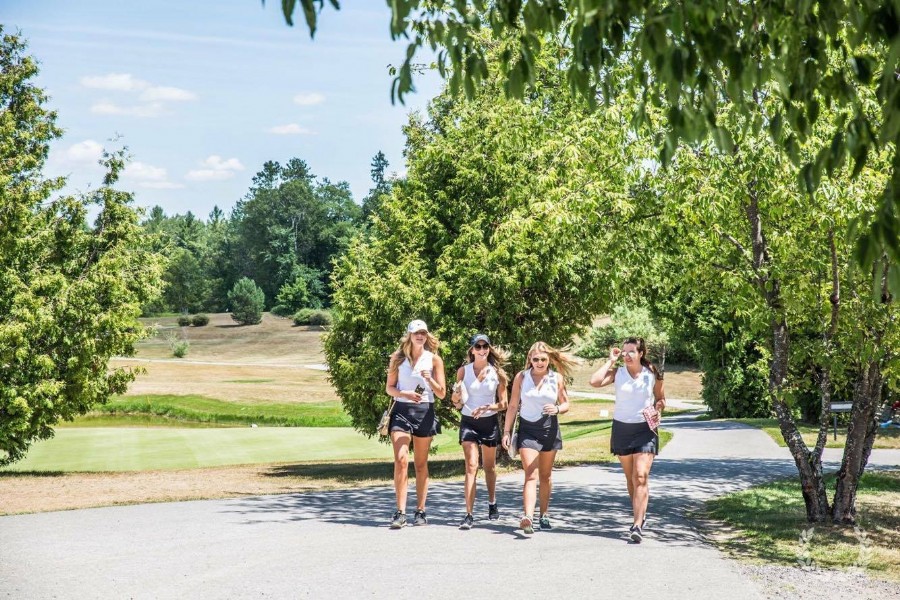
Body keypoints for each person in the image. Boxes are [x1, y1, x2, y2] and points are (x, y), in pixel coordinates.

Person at [589, 336, 665, 543]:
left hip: (645, 429)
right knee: (631, 478)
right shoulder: (618, 373)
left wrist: (658, 409)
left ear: (641, 353)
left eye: (631, 351)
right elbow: (594, 382)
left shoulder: (652, 374)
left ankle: (637, 524)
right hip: (622, 429)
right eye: (624, 351)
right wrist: (610, 361)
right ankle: (640, 512)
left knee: (640, 476)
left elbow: (661, 399)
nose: (627, 355)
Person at [502, 341, 575, 534]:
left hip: (549, 429)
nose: (540, 363)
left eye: (543, 359)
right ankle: (528, 517)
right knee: (530, 474)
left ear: (549, 359)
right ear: (530, 360)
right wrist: (507, 431)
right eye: (536, 359)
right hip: (527, 430)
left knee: (545, 475)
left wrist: (557, 408)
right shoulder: (522, 377)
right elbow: (512, 406)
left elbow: (566, 404)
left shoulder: (556, 378)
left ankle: (544, 514)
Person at [385, 319, 446, 529]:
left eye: (423, 333)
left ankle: (420, 511)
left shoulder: (434, 360)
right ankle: (400, 512)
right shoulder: (397, 358)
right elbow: (389, 389)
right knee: (401, 460)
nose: (420, 336)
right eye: (416, 333)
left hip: (425, 411)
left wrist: (429, 380)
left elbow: (442, 393)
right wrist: (405, 393)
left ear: (427, 336)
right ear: (409, 335)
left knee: (420, 464)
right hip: (402, 410)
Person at [450, 333, 509, 530]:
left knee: (489, 467)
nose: (482, 350)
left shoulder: (497, 373)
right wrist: (456, 397)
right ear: (472, 350)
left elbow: (504, 404)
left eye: (485, 346)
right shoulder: (463, 371)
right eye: (478, 346)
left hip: (489, 423)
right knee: (471, 466)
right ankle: (468, 514)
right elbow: (456, 402)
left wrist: (487, 408)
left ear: (489, 349)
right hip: (468, 422)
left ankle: (492, 502)